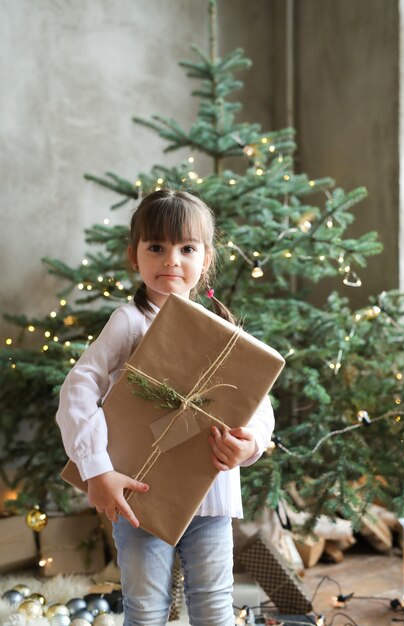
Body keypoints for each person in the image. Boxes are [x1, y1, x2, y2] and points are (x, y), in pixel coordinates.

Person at [56, 188, 275, 626]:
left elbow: (257, 402)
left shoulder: (224, 331)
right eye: (156, 247)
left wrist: (249, 446)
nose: (171, 259)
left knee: (214, 605)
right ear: (134, 257)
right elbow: (79, 388)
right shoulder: (130, 321)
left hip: (210, 497)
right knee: (146, 606)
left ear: (205, 258)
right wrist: (96, 469)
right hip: (141, 493)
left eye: (186, 248)